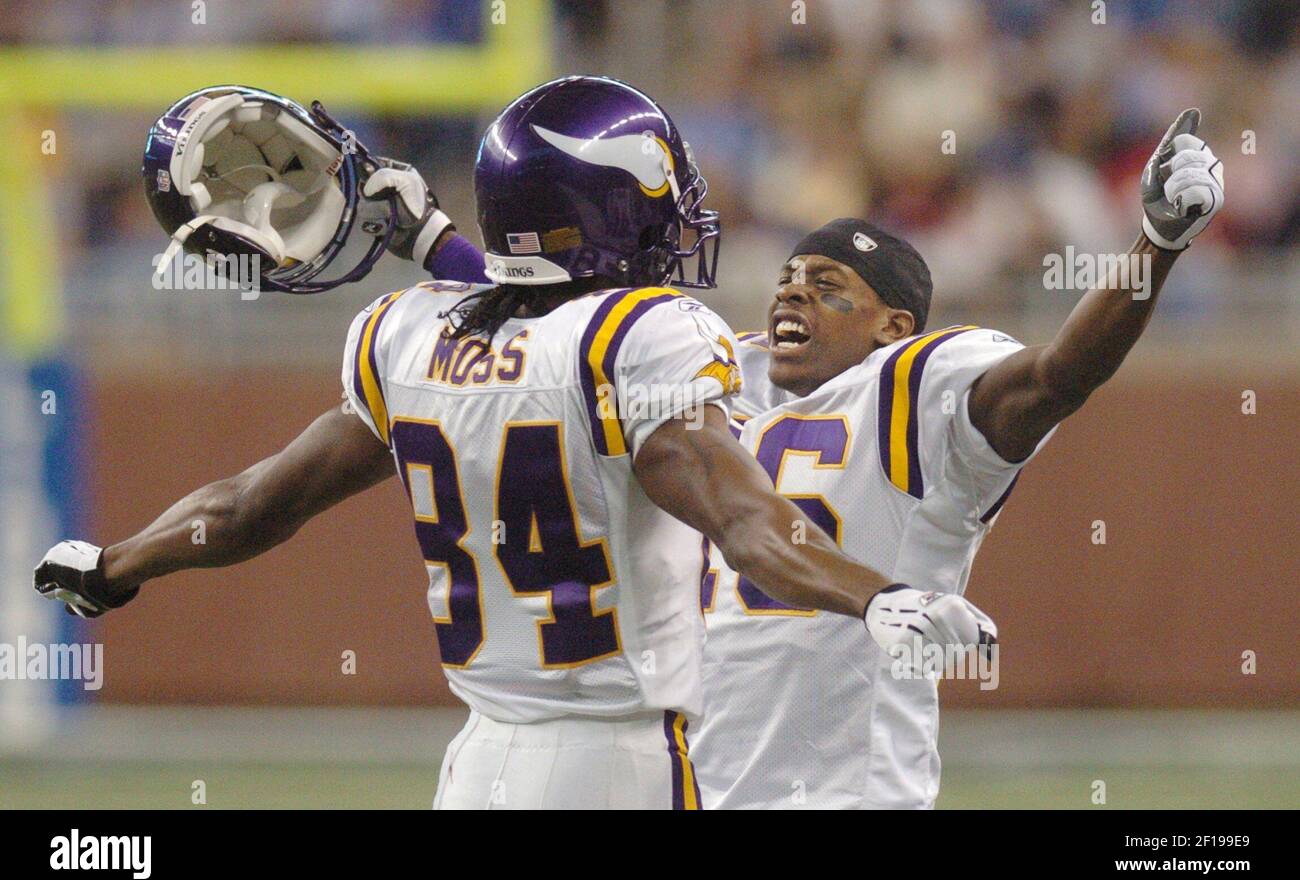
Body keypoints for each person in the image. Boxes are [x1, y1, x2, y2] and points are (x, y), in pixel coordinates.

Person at [33, 76, 995, 810]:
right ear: (611, 212)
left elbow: (247, 507)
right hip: (620, 760)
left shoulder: (408, 334)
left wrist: (115, 564)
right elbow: (747, 524)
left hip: (479, 759)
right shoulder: (642, 338)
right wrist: (881, 595)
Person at [690, 109, 1224, 808]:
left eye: (827, 286)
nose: (791, 292)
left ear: (893, 326)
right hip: (704, 780)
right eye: (790, 279)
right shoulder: (722, 385)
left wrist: (1154, 246)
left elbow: (1058, 374)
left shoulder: (911, 387)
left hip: (849, 790)